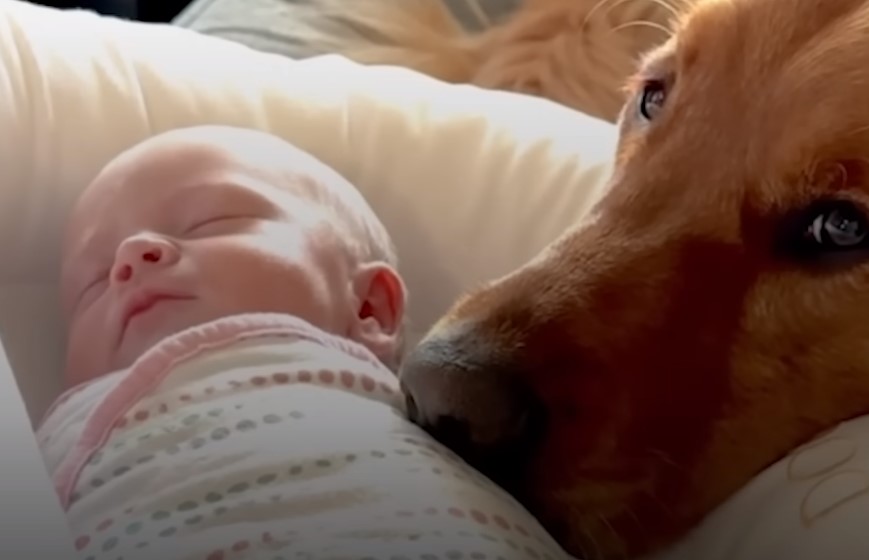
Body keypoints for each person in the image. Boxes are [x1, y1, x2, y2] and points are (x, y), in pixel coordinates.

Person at [36, 125, 568, 560]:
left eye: (211, 221)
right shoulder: (53, 441)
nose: (131, 254)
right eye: (94, 280)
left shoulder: (429, 408)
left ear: (368, 307)